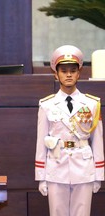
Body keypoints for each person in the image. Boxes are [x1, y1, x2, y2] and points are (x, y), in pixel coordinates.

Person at [35, 45, 104, 216]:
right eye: (64, 70)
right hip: (56, 166)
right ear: (55, 74)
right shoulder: (47, 104)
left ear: (79, 73)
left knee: (82, 213)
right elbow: (41, 142)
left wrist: (98, 174)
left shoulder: (92, 104)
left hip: (84, 167)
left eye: (73, 70)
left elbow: (97, 140)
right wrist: (41, 176)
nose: (68, 74)